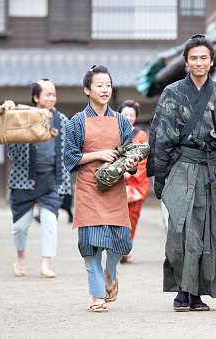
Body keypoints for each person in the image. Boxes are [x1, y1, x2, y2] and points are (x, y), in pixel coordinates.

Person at [147, 34, 216, 311]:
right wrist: (160, 177)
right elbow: (160, 137)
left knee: (208, 232)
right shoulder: (172, 93)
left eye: (204, 58)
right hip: (181, 168)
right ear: (186, 61)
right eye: (193, 58)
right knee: (180, 231)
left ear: (211, 62)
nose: (199, 62)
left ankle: (194, 294)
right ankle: (183, 289)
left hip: (211, 171)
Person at [63, 65, 139, 312]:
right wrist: (97, 154)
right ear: (87, 90)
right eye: (99, 85)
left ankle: (111, 272)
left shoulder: (121, 121)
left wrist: (130, 163)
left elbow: (129, 154)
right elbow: (70, 158)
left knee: (121, 243)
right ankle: (97, 298)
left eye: (108, 85)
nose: (105, 89)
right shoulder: (77, 121)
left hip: (115, 188)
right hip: (88, 188)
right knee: (90, 244)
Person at [5, 79, 71, 278]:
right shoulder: (21, 117)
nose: (52, 98)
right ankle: (20, 258)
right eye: (47, 95)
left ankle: (45, 264)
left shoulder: (62, 120)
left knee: (50, 222)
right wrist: (9, 116)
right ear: (36, 98)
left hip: (52, 179)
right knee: (19, 227)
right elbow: (10, 153)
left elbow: (70, 151)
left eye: (54, 94)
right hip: (24, 179)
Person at [116, 100, 150, 263]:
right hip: (115, 181)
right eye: (125, 114)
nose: (128, 117)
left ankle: (125, 248)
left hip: (134, 182)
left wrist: (131, 172)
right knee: (115, 216)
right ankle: (116, 248)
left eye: (132, 115)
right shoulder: (113, 132)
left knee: (132, 217)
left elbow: (143, 159)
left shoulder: (141, 135)